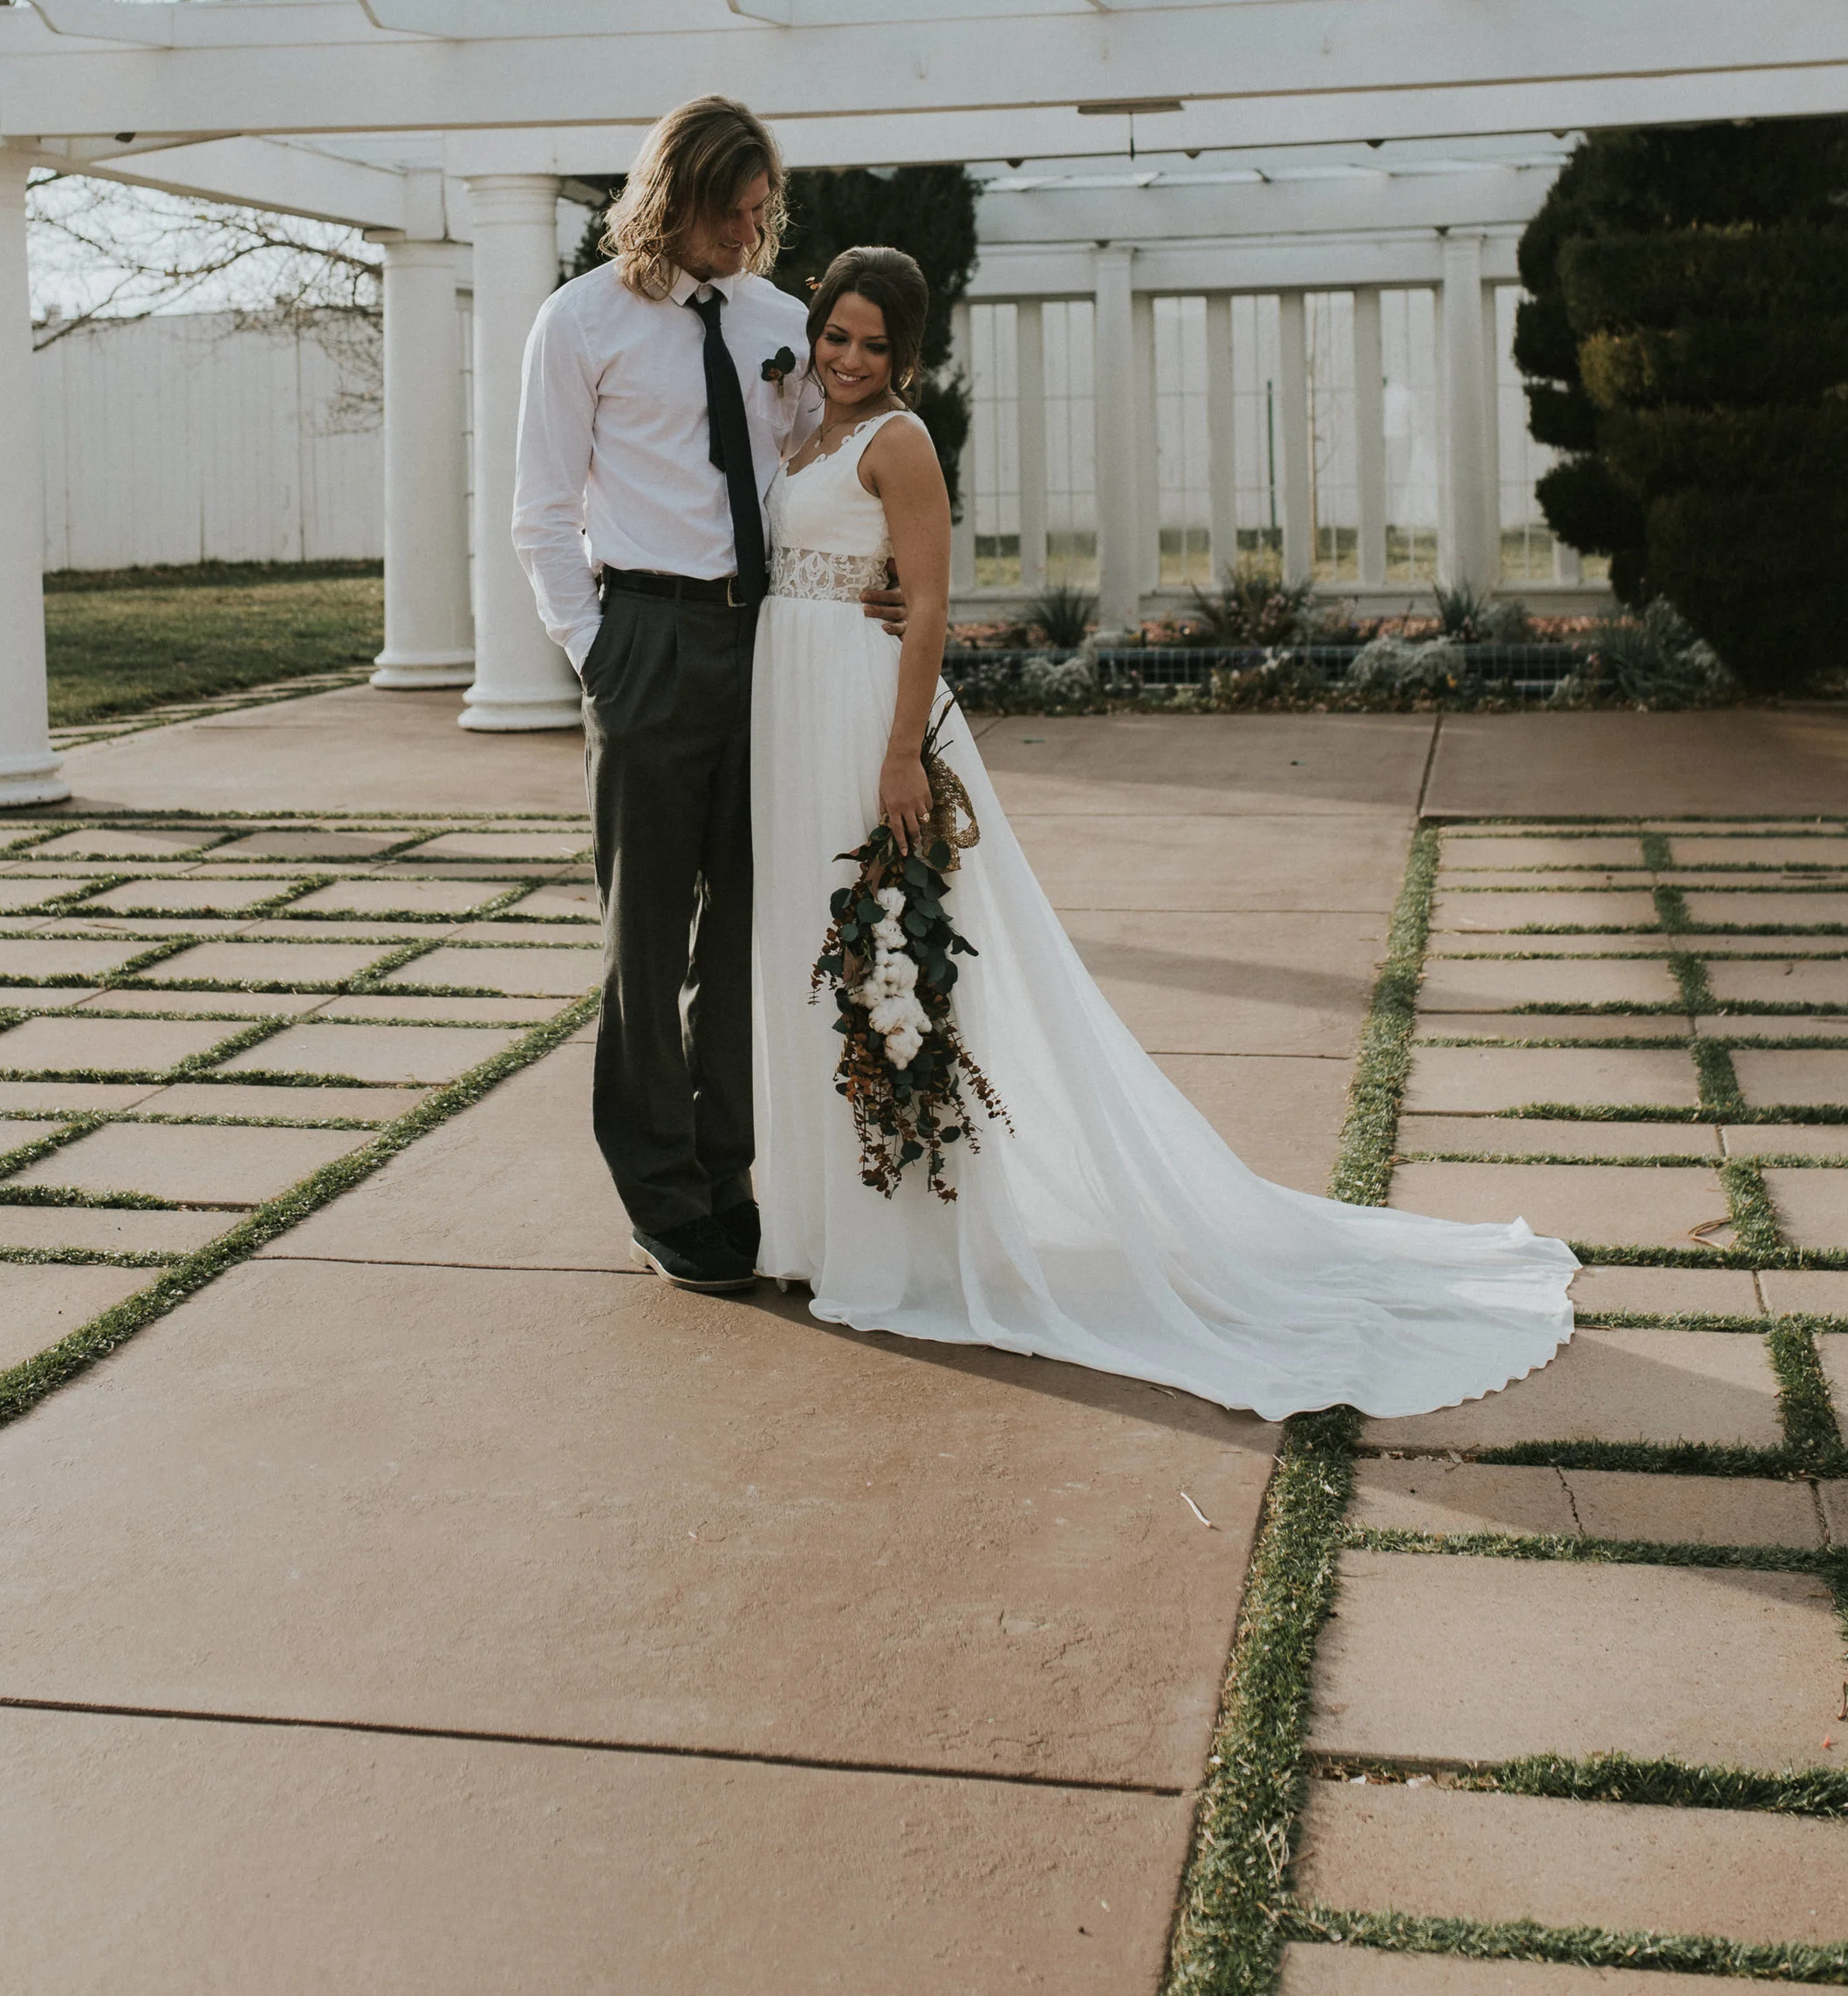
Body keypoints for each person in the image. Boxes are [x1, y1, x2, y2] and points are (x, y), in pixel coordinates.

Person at [749, 243, 1580, 1421]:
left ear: (910, 358)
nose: (846, 356)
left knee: (878, 955)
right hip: (787, 706)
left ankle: (895, 1238)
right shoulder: (801, 430)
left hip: (858, 713)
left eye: (873, 344)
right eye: (837, 334)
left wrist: (898, 752)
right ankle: (813, 1216)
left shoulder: (901, 441)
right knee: (801, 950)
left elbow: (930, 600)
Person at [514, 94, 829, 1293]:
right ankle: (658, 1195)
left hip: (767, 641)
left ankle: (725, 1171)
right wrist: (598, 652)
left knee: (746, 924)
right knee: (647, 933)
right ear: (673, 199)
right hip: (643, 634)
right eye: (731, 214)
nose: (750, 237)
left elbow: (813, 466)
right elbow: (540, 509)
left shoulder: (780, 322)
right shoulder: (578, 323)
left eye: (761, 214)